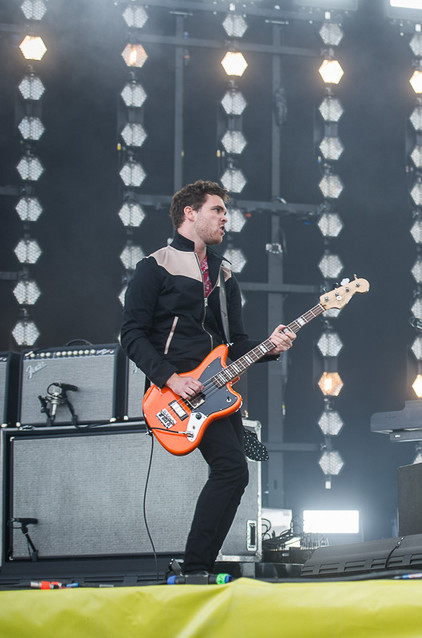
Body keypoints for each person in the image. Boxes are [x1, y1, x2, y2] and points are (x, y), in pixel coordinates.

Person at [121, 179, 295, 576]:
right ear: (190, 213)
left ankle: (197, 566)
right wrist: (171, 380)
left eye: (224, 211)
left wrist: (269, 347)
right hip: (179, 392)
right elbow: (131, 335)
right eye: (217, 210)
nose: (224, 218)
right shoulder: (156, 265)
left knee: (235, 475)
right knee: (232, 469)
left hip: (219, 389)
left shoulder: (224, 274)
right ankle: (196, 566)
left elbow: (233, 345)